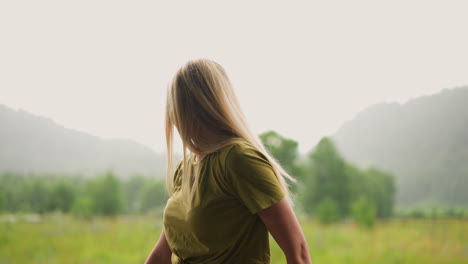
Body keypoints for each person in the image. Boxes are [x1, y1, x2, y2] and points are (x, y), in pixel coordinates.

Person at [144, 58, 312, 264]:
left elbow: (298, 253)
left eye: (177, 103)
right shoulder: (186, 168)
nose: (173, 113)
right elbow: (161, 255)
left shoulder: (239, 159)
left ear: (198, 105)